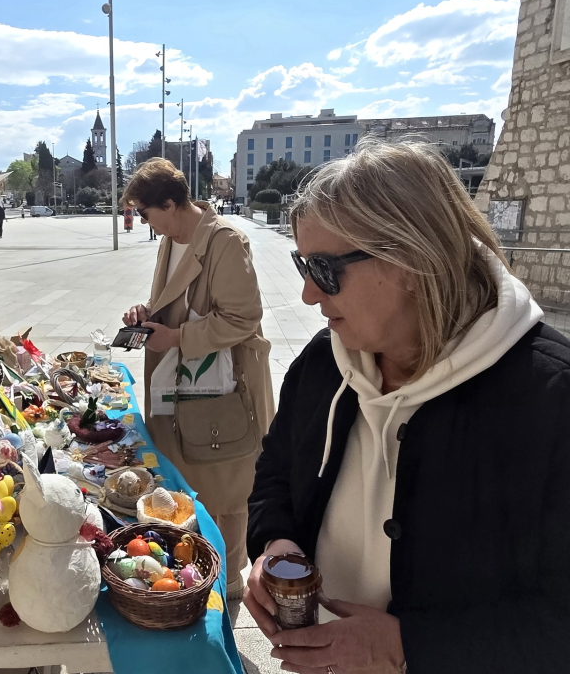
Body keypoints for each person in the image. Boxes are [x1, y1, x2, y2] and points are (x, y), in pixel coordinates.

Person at [243, 139, 570, 674]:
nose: (306, 295)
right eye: (301, 264)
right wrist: (275, 544)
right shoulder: (324, 362)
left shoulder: (549, 398)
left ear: (412, 258)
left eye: (323, 269)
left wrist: (403, 646)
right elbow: (276, 470)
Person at [121, 158, 275, 599]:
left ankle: (227, 583)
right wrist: (145, 315)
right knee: (186, 478)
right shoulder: (170, 240)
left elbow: (243, 318)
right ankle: (195, 569)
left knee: (226, 487)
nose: (144, 223)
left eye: (146, 213)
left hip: (219, 390)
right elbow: (170, 302)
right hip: (179, 385)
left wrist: (176, 337)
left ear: (170, 204)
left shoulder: (225, 242)